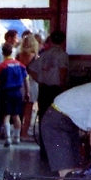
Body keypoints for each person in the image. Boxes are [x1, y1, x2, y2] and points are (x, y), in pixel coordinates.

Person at [28, 29, 69, 159]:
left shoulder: (44, 54)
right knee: (57, 120)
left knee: (44, 120)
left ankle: (44, 152)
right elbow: (63, 72)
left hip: (44, 90)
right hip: (56, 90)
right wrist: (63, 87)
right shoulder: (62, 55)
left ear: (50, 40)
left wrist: (40, 81)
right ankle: (55, 152)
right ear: (63, 41)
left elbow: (30, 68)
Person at [0, 43, 29, 147]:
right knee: (16, 115)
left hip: (5, 92)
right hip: (17, 92)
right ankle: (17, 137)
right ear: (12, 52)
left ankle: (7, 137)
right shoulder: (20, 65)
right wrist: (27, 92)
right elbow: (26, 80)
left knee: (6, 115)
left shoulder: (1, 66)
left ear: (3, 53)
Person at [0, 30, 20, 138]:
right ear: (9, 38)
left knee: (5, 110)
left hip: (7, 86)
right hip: (2, 85)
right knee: (0, 109)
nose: (16, 40)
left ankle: (3, 130)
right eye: (15, 38)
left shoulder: (11, 51)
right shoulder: (0, 53)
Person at [16, 34, 40, 138]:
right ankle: (24, 132)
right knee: (28, 109)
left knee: (19, 109)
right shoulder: (35, 56)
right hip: (32, 83)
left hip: (20, 82)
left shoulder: (19, 55)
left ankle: (18, 130)